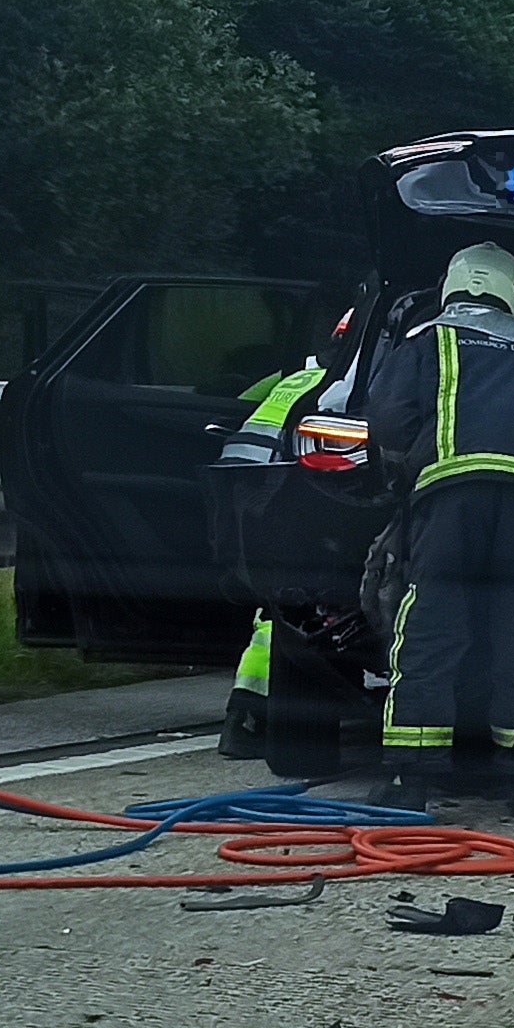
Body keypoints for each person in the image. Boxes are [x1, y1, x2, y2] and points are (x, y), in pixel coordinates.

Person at [356, 245, 514, 819]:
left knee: (433, 629)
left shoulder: (426, 341)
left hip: (451, 505)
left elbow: (388, 423)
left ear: (452, 289)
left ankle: (408, 779)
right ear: (512, 293)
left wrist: (412, 466)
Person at [209, 312, 349, 763]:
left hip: (236, 493)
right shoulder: (344, 385)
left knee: (273, 608)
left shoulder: (297, 375)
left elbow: (239, 404)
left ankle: (246, 721)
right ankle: (249, 718)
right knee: (286, 610)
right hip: (271, 494)